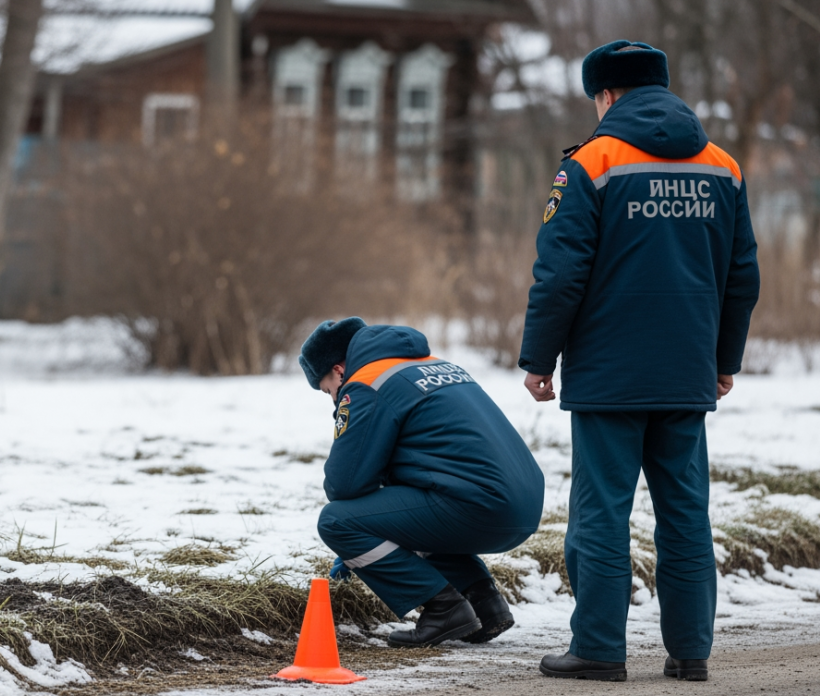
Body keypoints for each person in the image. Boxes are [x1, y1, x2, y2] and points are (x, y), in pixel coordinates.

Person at [519, 40, 761, 682]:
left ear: (605, 94)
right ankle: (690, 651)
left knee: (602, 512)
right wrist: (724, 358)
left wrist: (538, 357)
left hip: (609, 375)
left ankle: (598, 648)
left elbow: (560, 273)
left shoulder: (591, 164)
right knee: (685, 512)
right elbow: (743, 276)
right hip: (686, 372)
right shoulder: (723, 166)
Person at [299, 318, 545, 648]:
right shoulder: (434, 365)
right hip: (524, 506)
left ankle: (444, 609)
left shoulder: (367, 382)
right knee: (413, 504)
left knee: (334, 521)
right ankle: (485, 602)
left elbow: (344, 486)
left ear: (339, 370)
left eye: (327, 388)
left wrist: (354, 543)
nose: (331, 395)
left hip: (479, 507)